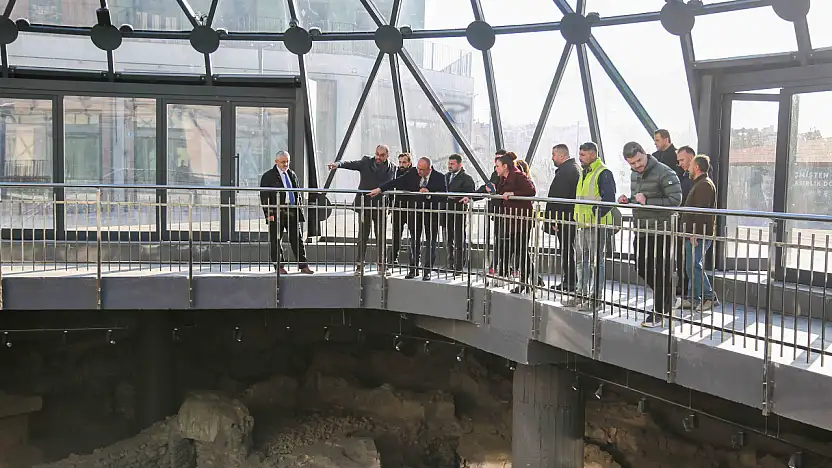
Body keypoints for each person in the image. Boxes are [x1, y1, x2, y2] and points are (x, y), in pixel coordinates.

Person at [618, 141, 683, 328]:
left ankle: (659, 311)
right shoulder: (634, 175)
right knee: (641, 267)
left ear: (645, 153)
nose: (637, 165)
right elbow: (639, 198)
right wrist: (627, 200)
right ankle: (667, 299)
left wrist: (648, 201)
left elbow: (675, 200)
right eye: (632, 163)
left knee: (659, 270)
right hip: (643, 228)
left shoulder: (665, 172)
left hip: (661, 229)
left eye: (639, 160)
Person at [369, 156, 445, 281]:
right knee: (414, 241)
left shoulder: (439, 177)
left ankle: (427, 271)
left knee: (430, 242)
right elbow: (397, 181)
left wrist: (430, 195)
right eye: (418, 168)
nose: (419, 172)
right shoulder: (413, 173)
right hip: (415, 213)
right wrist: (380, 189)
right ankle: (413, 269)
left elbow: (444, 196)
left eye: (422, 170)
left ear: (429, 169)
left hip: (431, 214)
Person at [327, 145, 396, 274]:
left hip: (381, 207)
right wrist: (338, 164)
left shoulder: (393, 168)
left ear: (387, 155)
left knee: (381, 237)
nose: (378, 157)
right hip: (365, 205)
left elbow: (392, 187)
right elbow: (351, 164)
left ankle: (382, 265)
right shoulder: (366, 163)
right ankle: (360, 265)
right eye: (377, 154)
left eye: (381, 155)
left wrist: (390, 205)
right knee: (363, 236)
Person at [565, 142, 616, 310]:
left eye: (583, 155)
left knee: (595, 262)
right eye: (580, 154)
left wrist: (595, 214)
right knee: (581, 260)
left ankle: (596, 299)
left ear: (593, 155)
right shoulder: (585, 173)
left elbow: (608, 200)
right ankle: (581, 294)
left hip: (596, 225)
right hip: (582, 223)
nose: (580, 158)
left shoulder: (603, 173)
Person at [259, 150, 314, 275]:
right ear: (276, 162)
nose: (285, 164)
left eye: (287, 161)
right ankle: (279, 266)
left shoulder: (291, 174)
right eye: (283, 162)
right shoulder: (268, 176)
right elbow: (264, 196)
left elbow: (297, 191)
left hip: (292, 210)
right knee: (276, 239)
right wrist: (269, 214)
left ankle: (303, 265)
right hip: (277, 212)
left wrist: (298, 205)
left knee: (297, 239)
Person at [680, 155, 719, 311]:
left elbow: (700, 212)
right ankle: (693, 298)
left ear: (696, 167)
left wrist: (694, 233)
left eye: (690, 166)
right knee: (691, 265)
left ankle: (709, 297)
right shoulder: (700, 184)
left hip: (699, 234)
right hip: (696, 233)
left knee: (694, 265)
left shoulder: (704, 185)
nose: (688, 168)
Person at [494, 152, 536, 293]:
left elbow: (531, 191)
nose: (496, 169)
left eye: (498, 166)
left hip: (521, 219)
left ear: (505, 166)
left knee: (521, 250)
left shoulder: (517, 175)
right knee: (520, 250)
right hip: (512, 219)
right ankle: (529, 281)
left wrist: (513, 194)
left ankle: (526, 282)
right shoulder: (504, 178)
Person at [545, 144, 581, 292]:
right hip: (568, 217)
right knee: (568, 249)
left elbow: (560, 197)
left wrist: (555, 219)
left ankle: (570, 282)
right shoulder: (573, 169)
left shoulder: (567, 171)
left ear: (562, 155)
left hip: (565, 218)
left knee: (567, 250)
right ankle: (570, 280)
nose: (552, 157)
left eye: (554, 154)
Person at [443, 153, 476, 274]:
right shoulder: (446, 177)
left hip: (459, 211)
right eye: (449, 164)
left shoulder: (466, 178)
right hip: (447, 211)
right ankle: (450, 263)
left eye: (452, 164)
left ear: (460, 164)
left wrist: (460, 198)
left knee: (458, 238)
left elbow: (470, 193)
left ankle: (458, 265)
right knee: (448, 238)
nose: (450, 166)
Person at [389, 152, 413, 266]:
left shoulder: (414, 173)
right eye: (400, 162)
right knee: (396, 234)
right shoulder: (395, 172)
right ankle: (393, 258)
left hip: (411, 208)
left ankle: (413, 260)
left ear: (409, 163)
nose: (401, 164)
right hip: (398, 207)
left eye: (404, 162)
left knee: (414, 234)